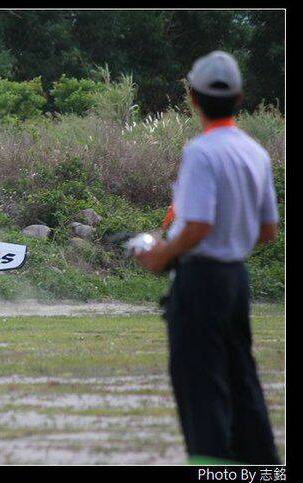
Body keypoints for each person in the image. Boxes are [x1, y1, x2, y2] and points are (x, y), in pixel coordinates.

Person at [136, 50, 281, 464]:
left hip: (201, 280)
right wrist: (231, 243)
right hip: (236, 279)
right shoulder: (256, 152)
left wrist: (162, 254)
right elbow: (268, 230)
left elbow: (197, 226)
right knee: (242, 379)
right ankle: (261, 467)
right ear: (239, 99)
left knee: (201, 386)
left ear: (193, 98)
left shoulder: (201, 151)